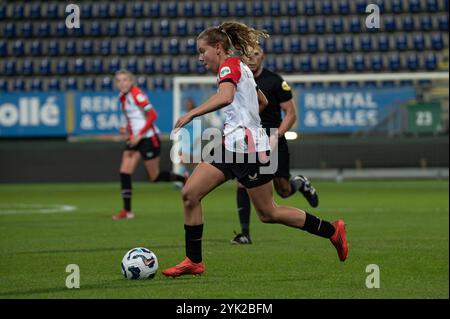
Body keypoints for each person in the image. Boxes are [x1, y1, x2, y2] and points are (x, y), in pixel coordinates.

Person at [162, 22, 348, 277]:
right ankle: (194, 261)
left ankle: (332, 230)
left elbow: (226, 97)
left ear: (218, 48)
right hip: (231, 144)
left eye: (202, 51)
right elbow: (262, 101)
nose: (200, 57)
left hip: (249, 150)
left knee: (268, 213)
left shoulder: (230, 65)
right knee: (190, 194)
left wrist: (191, 114)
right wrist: (245, 119)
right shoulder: (241, 68)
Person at [231, 45, 319, 245]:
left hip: (273, 137)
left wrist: (277, 135)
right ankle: (244, 234)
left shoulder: (275, 81)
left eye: (256, 54)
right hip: (250, 140)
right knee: (243, 182)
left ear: (263, 56)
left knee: (284, 191)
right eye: (247, 54)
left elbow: (291, 113)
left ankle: (300, 182)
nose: (252, 58)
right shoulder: (239, 80)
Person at [113, 69, 186, 220]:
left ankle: (183, 179)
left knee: (154, 177)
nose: (122, 83)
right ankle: (127, 211)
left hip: (148, 138)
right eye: (119, 81)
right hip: (135, 138)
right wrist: (126, 129)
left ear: (131, 81)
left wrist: (139, 134)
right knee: (124, 172)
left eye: (125, 80)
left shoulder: (136, 94)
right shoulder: (122, 97)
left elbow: (153, 114)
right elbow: (135, 118)